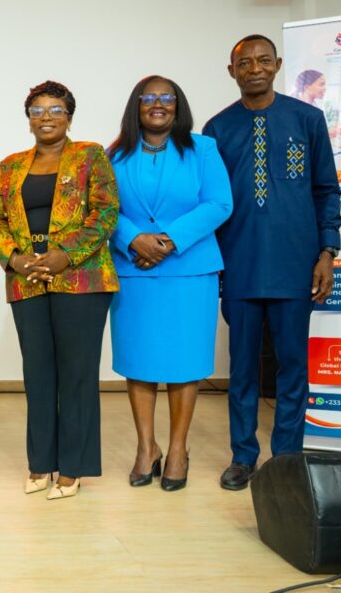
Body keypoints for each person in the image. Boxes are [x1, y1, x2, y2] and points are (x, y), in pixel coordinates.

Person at [203, 35, 341, 491]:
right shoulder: (217, 129)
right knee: (241, 368)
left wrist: (327, 252)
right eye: (245, 63)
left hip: (295, 264)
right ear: (232, 70)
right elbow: (211, 202)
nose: (255, 68)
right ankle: (243, 456)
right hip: (239, 265)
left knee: (292, 366)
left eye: (264, 60)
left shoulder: (307, 119)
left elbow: (325, 190)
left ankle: (286, 457)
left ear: (278, 65)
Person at [0, 80, 119, 500]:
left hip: (81, 279)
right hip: (27, 279)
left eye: (55, 110)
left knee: (76, 376)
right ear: (28, 120)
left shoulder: (90, 156)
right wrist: (15, 259)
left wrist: (66, 254)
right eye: (38, 110)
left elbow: (106, 211)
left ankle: (73, 468)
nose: (46, 117)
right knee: (38, 374)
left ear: (69, 117)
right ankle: (41, 463)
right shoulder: (11, 166)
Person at [107, 76, 233, 491]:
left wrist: (167, 240)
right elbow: (102, 208)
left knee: (184, 363)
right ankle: (147, 448)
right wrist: (132, 239)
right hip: (133, 271)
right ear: (136, 106)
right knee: (139, 362)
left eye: (167, 98)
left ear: (177, 107)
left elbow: (219, 203)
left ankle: (178, 449)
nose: (158, 104)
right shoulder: (113, 155)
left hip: (188, 271)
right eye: (149, 98)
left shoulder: (203, 149)